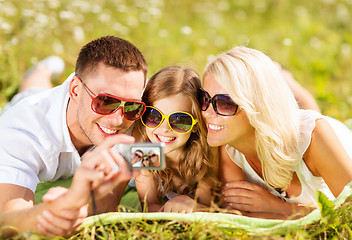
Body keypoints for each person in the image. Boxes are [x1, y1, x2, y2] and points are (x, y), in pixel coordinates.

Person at [0, 35, 148, 237]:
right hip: (33, 103)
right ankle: (40, 71)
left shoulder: (142, 114)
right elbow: (7, 220)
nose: (118, 120)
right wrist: (54, 213)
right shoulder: (20, 129)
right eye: (105, 102)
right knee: (32, 90)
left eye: (131, 106)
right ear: (75, 90)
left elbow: (157, 162)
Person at [199, 46, 352, 219]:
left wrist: (278, 207)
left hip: (330, 136)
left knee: (312, 114)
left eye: (224, 102)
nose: (207, 112)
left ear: (257, 106)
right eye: (204, 99)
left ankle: (286, 78)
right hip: (278, 126)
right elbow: (240, 215)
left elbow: (346, 216)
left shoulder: (315, 135)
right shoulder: (228, 143)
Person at [134, 66, 221, 213]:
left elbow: (206, 208)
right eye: (154, 116)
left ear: (195, 123)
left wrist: (192, 207)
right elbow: (149, 206)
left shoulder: (206, 152)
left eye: (180, 120)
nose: (165, 128)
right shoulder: (144, 151)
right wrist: (169, 208)